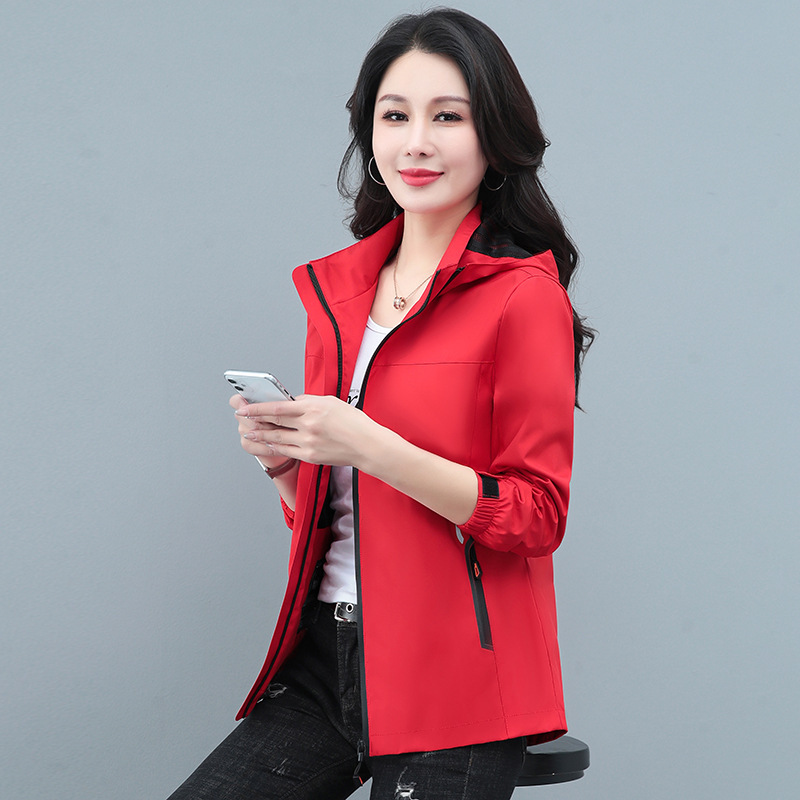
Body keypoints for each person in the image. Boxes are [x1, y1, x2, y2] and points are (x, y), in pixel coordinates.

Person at [168, 8, 592, 800]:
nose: (416, 143)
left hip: (459, 677)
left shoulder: (523, 298)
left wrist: (367, 443)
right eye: (395, 116)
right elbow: (348, 518)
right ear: (369, 133)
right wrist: (287, 467)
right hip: (326, 658)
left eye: (447, 117)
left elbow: (536, 516)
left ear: (493, 136)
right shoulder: (340, 294)